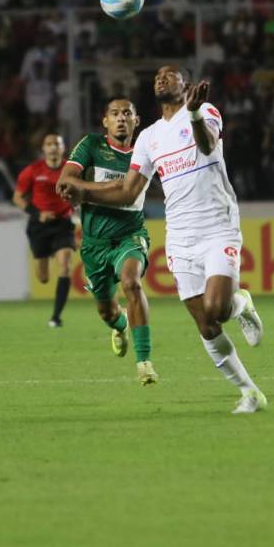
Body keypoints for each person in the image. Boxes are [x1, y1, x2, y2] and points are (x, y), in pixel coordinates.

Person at [59, 66, 267, 414]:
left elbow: (206, 144)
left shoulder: (206, 112)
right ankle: (249, 392)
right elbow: (128, 192)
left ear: (185, 85)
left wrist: (197, 112)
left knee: (218, 307)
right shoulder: (149, 137)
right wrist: (84, 192)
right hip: (180, 235)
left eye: (170, 75)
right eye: (157, 75)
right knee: (205, 323)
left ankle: (240, 305)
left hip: (217, 224)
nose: (161, 78)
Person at [57, 98, 158, 385]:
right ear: (105, 121)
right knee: (106, 310)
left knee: (131, 282)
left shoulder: (146, 151)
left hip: (130, 235)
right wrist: (111, 186)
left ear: (137, 121)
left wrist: (85, 191)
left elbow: (127, 195)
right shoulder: (90, 145)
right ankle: (120, 323)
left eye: (127, 113)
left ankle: (144, 361)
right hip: (94, 244)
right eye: (114, 113)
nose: (121, 118)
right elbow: (64, 183)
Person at [13, 133, 76, 328]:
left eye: (57, 143)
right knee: (42, 278)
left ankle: (56, 317)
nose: (53, 147)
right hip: (39, 226)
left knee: (65, 266)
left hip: (62, 224)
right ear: (44, 148)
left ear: (63, 147)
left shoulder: (71, 170)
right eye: (49, 144)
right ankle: (46, 256)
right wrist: (37, 213)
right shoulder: (32, 170)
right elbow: (17, 198)